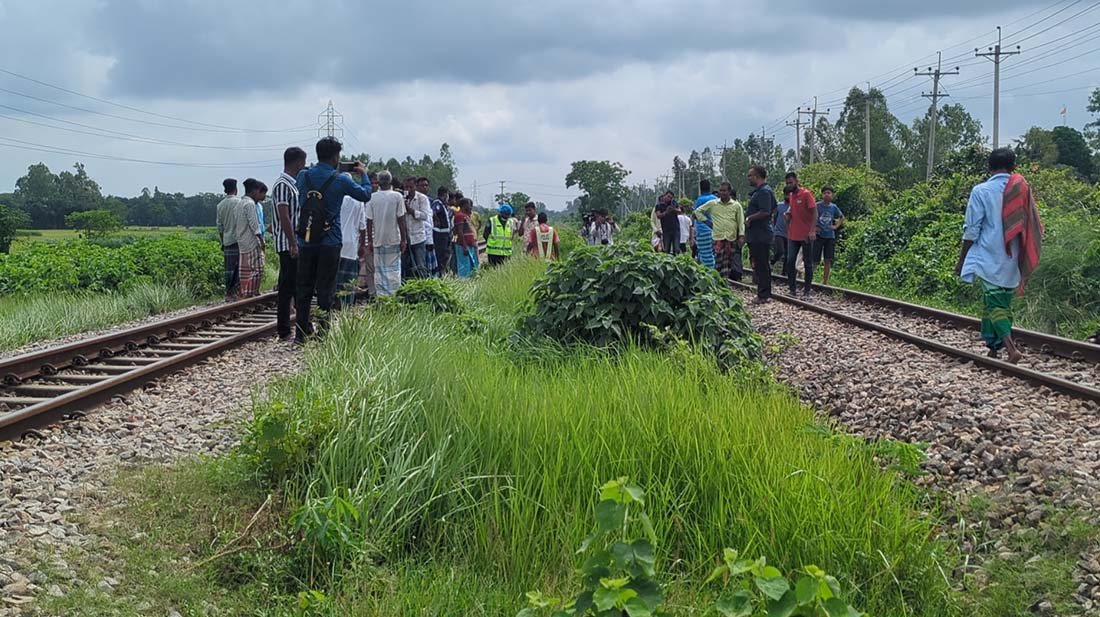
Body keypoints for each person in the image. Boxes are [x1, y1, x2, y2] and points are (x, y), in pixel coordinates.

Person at [955, 147, 1042, 364]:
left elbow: (972, 229)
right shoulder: (1022, 190)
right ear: (1013, 166)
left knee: (994, 304)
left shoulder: (981, 191)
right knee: (997, 302)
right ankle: (993, 348)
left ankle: (1011, 348)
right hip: (1014, 257)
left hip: (989, 256)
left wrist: (962, 259)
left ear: (989, 167)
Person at [294, 137, 372, 344]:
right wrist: (363, 175)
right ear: (336, 157)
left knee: (304, 287)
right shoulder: (341, 180)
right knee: (326, 288)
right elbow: (365, 195)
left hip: (307, 240)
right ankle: (323, 331)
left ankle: (300, 333)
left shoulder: (303, 176)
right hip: (330, 240)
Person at [271, 147, 306, 340]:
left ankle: (298, 325)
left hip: (292, 241)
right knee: (288, 286)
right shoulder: (283, 185)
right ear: (298, 163)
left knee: (294, 285)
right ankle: (284, 328)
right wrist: (293, 242)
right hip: (287, 243)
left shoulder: (291, 184)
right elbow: (284, 215)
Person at [366, 171, 408, 296]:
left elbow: (369, 221)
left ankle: (382, 298)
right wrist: (404, 240)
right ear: (390, 182)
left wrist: (370, 241)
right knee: (394, 272)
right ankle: (394, 297)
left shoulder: (372, 197)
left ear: (378, 182)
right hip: (394, 240)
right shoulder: (397, 197)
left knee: (379, 272)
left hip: (378, 241)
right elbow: (401, 220)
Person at [695, 181, 745, 282]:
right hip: (717, 238)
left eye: (724, 191)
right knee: (717, 262)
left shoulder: (736, 206)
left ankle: (723, 282)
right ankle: (715, 282)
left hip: (731, 238)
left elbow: (741, 222)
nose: (722, 193)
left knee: (727, 263)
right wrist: (707, 222)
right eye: (721, 190)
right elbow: (698, 211)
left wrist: (741, 236)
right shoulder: (713, 204)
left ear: (729, 192)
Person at [745, 165, 776, 303]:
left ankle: (763, 295)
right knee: (759, 263)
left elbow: (766, 211)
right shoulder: (761, 191)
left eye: (750, 175)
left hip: (761, 234)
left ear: (757, 176)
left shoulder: (764, 192)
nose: (748, 178)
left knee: (762, 264)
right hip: (757, 234)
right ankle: (763, 293)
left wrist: (750, 218)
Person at [783, 171, 817, 297]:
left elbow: (814, 212)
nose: (789, 185)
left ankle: (807, 291)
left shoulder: (806, 194)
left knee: (807, 262)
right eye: (787, 183)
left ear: (796, 181)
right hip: (793, 234)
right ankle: (792, 289)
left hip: (806, 234)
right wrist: (788, 216)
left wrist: (812, 230)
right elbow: (792, 211)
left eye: (791, 182)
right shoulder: (791, 196)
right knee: (790, 261)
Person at [235, 178, 267, 298]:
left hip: (242, 240)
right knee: (257, 268)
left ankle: (245, 291)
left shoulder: (239, 203)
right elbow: (254, 224)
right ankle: (251, 292)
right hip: (252, 240)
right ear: (254, 191)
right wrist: (261, 240)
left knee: (245, 269)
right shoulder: (250, 204)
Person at [335, 194, 367, 309]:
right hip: (351, 244)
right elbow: (362, 226)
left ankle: (335, 302)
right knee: (349, 279)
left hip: (335, 242)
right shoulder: (359, 200)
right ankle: (347, 304)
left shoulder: (335, 196)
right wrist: (362, 245)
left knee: (335, 277)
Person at [215, 179, 242, 301]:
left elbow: (220, 227)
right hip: (240, 240)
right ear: (236, 189)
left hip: (227, 240)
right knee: (239, 267)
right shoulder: (240, 203)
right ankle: (237, 291)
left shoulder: (220, 205)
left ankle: (229, 293)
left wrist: (223, 241)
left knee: (229, 269)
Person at [813, 185, 845, 285]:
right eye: (825, 193)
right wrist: (814, 227)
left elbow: (841, 217)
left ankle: (825, 282)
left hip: (830, 236)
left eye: (829, 193)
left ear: (832, 195)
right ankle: (810, 278)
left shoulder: (833, 207)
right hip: (819, 235)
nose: (827, 195)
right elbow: (811, 216)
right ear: (822, 195)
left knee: (828, 259)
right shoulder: (817, 205)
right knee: (815, 259)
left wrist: (835, 226)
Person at [402, 177, 431, 279]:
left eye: (411, 187)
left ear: (415, 187)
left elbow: (424, 215)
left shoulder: (422, 198)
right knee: (405, 265)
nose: (408, 189)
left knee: (420, 265)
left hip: (418, 237)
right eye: (406, 187)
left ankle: (422, 285)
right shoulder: (401, 198)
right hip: (405, 238)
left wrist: (410, 210)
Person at [453, 197, 480, 277]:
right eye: (469, 205)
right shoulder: (460, 216)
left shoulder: (466, 216)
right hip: (463, 245)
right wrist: (464, 246)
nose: (470, 207)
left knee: (471, 265)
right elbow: (460, 232)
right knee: (464, 267)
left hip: (470, 244)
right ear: (464, 205)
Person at [431, 185, 452, 276]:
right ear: (444, 194)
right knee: (440, 254)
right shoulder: (437, 203)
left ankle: (442, 271)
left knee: (445, 254)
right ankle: (439, 273)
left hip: (444, 233)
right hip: (439, 234)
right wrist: (436, 220)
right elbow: (434, 211)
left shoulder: (443, 205)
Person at [772, 186, 792, 275]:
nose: (788, 196)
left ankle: (784, 273)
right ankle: (771, 262)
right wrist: (773, 229)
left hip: (789, 233)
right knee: (780, 251)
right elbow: (775, 218)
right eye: (786, 194)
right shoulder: (779, 205)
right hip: (778, 232)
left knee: (788, 254)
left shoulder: (793, 206)